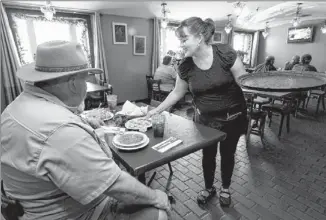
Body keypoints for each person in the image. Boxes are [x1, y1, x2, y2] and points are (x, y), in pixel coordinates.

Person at [1, 41, 170, 220]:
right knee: (158, 212)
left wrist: (85, 123)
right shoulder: (61, 131)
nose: (86, 85)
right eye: (86, 79)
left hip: (26, 203)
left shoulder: (14, 107)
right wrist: (156, 196)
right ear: (74, 83)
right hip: (74, 213)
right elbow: (115, 185)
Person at [147, 17, 248, 207]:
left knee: (228, 154)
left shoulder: (225, 53)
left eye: (184, 39)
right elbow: (177, 92)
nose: (181, 44)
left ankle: (225, 188)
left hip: (232, 118)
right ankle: (209, 188)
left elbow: (244, 82)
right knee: (208, 156)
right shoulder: (185, 65)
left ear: (200, 37)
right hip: (205, 121)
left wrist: (262, 89)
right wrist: (156, 110)